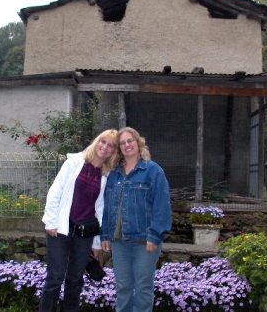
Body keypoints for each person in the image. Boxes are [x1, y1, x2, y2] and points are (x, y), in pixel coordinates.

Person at [39, 129, 119, 312]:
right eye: (103, 142)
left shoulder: (105, 175)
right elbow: (55, 191)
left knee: (75, 279)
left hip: (84, 234)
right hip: (61, 229)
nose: (105, 147)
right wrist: (51, 222)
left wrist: (97, 242)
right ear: (97, 141)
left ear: (113, 152)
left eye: (111, 146)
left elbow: (99, 209)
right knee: (55, 278)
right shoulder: (74, 162)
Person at [100, 127, 171, 312]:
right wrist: (105, 235)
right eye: (122, 143)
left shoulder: (153, 171)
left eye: (130, 141)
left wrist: (155, 236)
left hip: (144, 240)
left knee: (143, 288)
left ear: (138, 143)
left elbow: (162, 206)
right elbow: (108, 206)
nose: (127, 145)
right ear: (119, 148)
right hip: (119, 241)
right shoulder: (114, 174)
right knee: (122, 287)